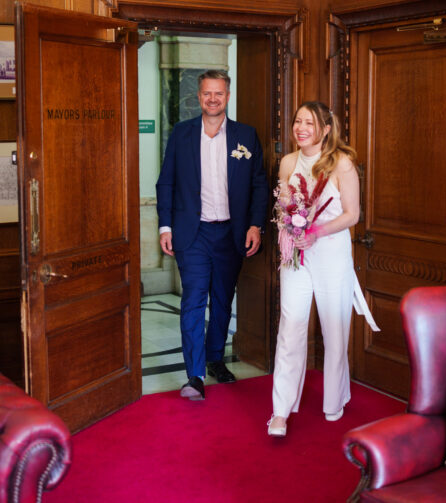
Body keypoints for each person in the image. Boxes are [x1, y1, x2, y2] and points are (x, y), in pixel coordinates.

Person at [267, 101, 380, 437]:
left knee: (334, 329)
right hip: (296, 255)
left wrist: (315, 232)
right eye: (297, 121)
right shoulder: (288, 161)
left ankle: (334, 400)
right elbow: (282, 206)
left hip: (331, 253)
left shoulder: (342, 164)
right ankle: (280, 410)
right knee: (290, 326)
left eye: (310, 123)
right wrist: (288, 235)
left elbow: (352, 215)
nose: (301, 128)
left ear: (326, 129)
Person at [156, 69, 268, 400]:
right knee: (193, 300)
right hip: (193, 233)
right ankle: (194, 375)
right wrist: (165, 226)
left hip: (231, 233)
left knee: (222, 302)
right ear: (199, 96)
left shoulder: (246, 136)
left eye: (219, 93)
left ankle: (216, 358)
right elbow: (167, 182)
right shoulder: (181, 134)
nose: (213, 98)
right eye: (207, 93)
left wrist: (255, 225)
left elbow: (259, 184)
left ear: (227, 96)